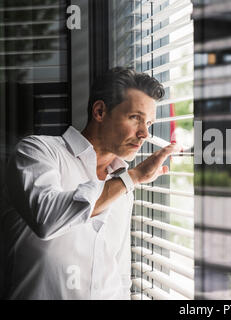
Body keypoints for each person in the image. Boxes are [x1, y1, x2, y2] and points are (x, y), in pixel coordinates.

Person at [0, 67, 181, 299]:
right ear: (100, 111)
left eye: (150, 123)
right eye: (135, 118)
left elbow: (119, 271)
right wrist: (132, 178)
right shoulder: (36, 152)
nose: (145, 133)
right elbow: (47, 219)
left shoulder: (123, 188)